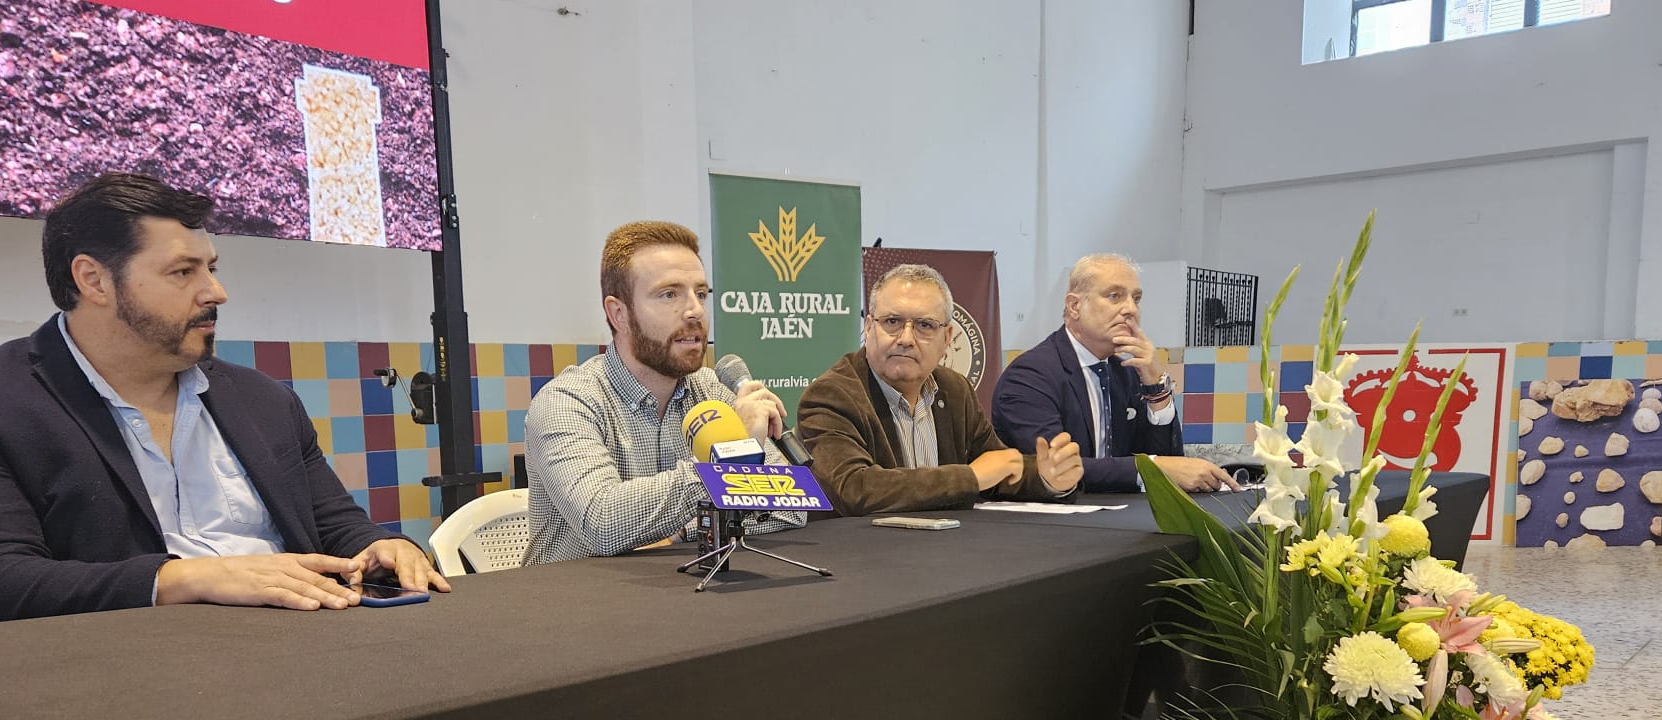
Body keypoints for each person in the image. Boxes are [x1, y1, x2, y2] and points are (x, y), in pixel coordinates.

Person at [0, 172, 446, 625]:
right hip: (125, 680)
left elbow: (336, 526)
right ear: (94, 280)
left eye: (211, 267)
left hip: (305, 650)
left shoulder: (264, 401)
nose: (215, 291)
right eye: (183, 272)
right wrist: (183, 576)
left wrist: (382, 546)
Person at [522, 220, 802, 565]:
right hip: (579, 605)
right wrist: (729, 459)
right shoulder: (566, 402)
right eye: (669, 294)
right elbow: (603, 522)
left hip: (684, 596)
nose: (695, 311)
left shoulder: (712, 391)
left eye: (700, 294)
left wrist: (682, 531)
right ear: (619, 313)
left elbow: (789, 511)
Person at [798, 264, 1082, 515]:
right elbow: (852, 489)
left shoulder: (954, 390)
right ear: (869, 327)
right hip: (863, 562)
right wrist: (969, 478)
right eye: (892, 322)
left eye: (924, 325)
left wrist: (1047, 478)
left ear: (947, 338)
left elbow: (996, 469)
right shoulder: (830, 396)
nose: (906, 338)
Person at [992, 253, 1235, 493]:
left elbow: (1173, 467)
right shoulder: (1030, 376)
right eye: (1114, 296)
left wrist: (1156, 389)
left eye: (1136, 298)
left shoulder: (1125, 373)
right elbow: (1056, 468)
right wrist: (1153, 467)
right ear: (1074, 306)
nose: (1130, 309)